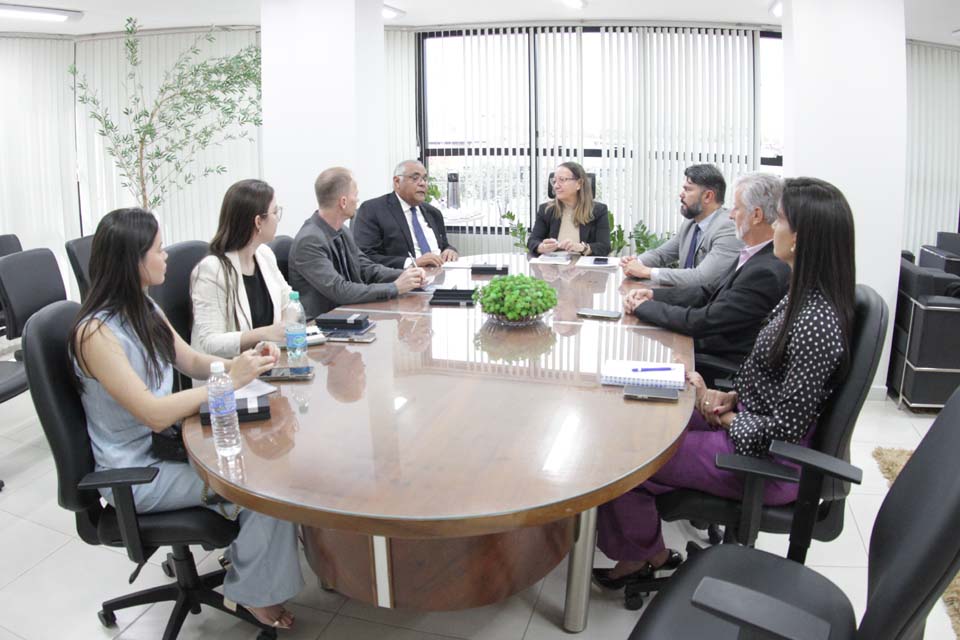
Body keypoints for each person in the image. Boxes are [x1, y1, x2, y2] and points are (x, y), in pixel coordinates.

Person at [594, 177, 856, 590]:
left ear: (802, 238)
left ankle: (644, 557)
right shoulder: (800, 296)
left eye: (782, 220)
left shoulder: (814, 322)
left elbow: (784, 432)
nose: (775, 227)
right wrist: (723, 395)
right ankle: (641, 547)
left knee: (623, 456)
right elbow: (775, 381)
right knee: (633, 420)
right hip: (747, 424)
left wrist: (728, 417)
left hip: (767, 462)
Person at [68, 208, 303, 629]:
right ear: (132, 259)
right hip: (140, 471)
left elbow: (192, 359)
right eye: (158, 250)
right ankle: (251, 594)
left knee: (272, 455)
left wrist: (240, 364)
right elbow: (152, 413)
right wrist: (226, 384)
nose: (166, 257)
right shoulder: (96, 333)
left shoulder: (142, 306)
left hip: (174, 443)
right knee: (265, 488)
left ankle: (253, 564)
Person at [622, 173, 791, 366]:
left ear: (757, 215)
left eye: (736, 208)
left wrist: (643, 307)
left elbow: (704, 321)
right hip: (706, 346)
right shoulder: (753, 254)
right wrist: (653, 295)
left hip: (719, 360)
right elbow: (708, 292)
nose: (731, 214)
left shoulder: (766, 271)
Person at [289, 167, 425, 318]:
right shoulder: (309, 241)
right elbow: (340, 290)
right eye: (356, 195)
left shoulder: (343, 231)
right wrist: (394, 287)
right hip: (323, 324)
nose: (358, 200)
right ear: (343, 202)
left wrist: (407, 275)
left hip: (348, 315)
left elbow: (366, 268)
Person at [190, 179, 291, 358]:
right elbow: (209, 342)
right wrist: (263, 334)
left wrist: (286, 328)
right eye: (275, 212)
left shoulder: (264, 255)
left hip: (268, 363)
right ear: (258, 221)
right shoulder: (212, 270)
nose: (277, 218)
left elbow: (290, 303)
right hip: (229, 375)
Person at [621, 164, 741, 289]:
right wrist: (635, 262)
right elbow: (660, 254)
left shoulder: (728, 227)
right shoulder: (691, 224)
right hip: (685, 300)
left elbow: (702, 278)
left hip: (711, 305)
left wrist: (646, 271)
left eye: (688, 189)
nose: (681, 194)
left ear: (708, 196)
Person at [353, 160, 459, 268]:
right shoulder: (373, 210)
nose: (422, 183)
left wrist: (450, 250)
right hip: (403, 280)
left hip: (439, 275)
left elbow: (444, 245)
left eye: (425, 179)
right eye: (415, 178)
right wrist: (412, 263)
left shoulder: (433, 213)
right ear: (397, 182)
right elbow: (365, 257)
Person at [527, 161, 611, 257]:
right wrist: (541, 247)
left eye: (562, 180)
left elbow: (604, 247)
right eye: (554, 181)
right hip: (553, 268)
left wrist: (581, 248)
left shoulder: (598, 211)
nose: (555, 186)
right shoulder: (546, 210)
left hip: (584, 269)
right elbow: (532, 241)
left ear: (579, 183)